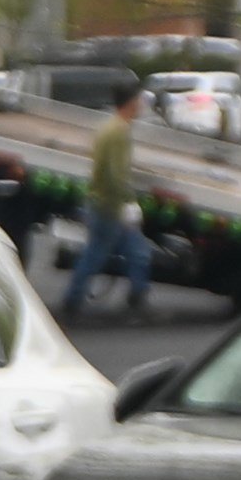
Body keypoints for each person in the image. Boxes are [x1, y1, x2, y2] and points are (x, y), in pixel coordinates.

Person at [69, 97, 157, 316]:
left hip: (101, 201)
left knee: (123, 253)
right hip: (110, 205)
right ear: (130, 104)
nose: (141, 107)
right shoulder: (119, 133)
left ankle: (74, 300)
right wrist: (128, 201)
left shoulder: (108, 127)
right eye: (138, 103)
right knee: (118, 254)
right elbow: (117, 174)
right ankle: (74, 300)